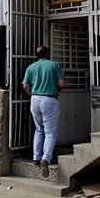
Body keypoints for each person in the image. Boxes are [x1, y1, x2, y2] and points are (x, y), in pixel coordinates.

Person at [22, 45, 66, 177]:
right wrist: (56, 90)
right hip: (50, 99)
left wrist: (32, 95)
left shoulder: (31, 67)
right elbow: (62, 84)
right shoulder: (55, 65)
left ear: (37, 55)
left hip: (35, 99)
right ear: (47, 54)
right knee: (50, 132)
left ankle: (36, 157)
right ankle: (46, 159)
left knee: (38, 129)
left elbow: (25, 85)